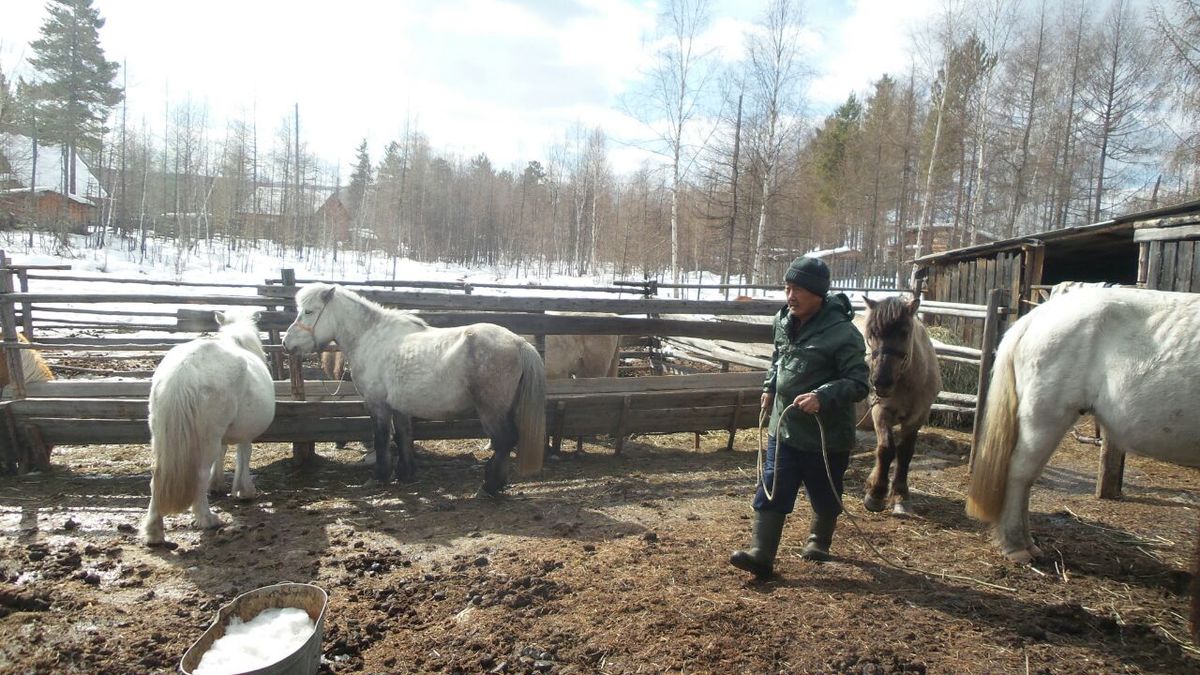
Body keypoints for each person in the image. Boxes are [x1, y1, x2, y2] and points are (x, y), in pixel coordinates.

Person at [730, 255, 869, 579]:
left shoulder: (843, 334)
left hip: (825, 435)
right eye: (787, 288)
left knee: (825, 491)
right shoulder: (783, 320)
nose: (790, 296)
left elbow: (859, 383)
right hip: (784, 425)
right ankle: (761, 553)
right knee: (773, 484)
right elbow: (778, 359)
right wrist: (770, 387)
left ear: (817, 294)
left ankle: (819, 540)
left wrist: (823, 396)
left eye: (798, 290)